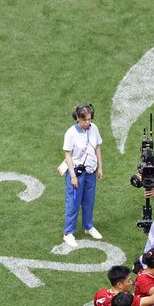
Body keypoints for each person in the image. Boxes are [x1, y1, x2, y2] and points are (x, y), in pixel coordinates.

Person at [61, 104, 103, 247]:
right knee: (73, 203)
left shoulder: (94, 128)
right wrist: (72, 176)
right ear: (78, 118)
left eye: (90, 119)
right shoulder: (71, 133)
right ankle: (68, 233)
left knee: (89, 201)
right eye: (85, 120)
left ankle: (88, 226)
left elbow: (97, 147)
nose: (88, 123)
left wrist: (100, 167)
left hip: (90, 171)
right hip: (77, 173)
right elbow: (68, 154)